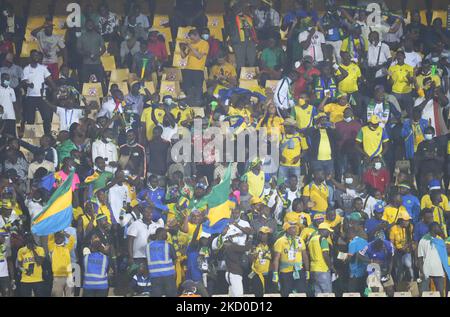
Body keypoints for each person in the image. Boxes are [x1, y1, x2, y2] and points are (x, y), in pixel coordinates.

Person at [21, 50, 56, 135]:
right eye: (34, 55)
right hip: (30, 97)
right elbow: (23, 82)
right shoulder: (26, 69)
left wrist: (55, 88)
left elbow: (50, 80)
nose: (36, 57)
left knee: (47, 117)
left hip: (42, 97)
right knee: (30, 119)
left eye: (37, 55)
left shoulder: (43, 68)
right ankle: (30, 136)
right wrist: (28, 84)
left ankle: (47, 135)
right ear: (31, 57)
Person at [272, 221, 309, 297]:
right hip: (285, 272)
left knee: (301, 292)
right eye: (292, 228)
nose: (294, 230)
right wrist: (275, 273)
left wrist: (307, 270)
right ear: (287, 229)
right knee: (286, 293)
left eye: (295, 228)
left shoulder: (300, 240)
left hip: (299, 271)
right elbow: (276, 258)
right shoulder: (280, 241)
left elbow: (305, 256)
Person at [180, 29, 209, 107]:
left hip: (198, 70)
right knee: (188, 88)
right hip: (188, 69)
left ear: (197, 35)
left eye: (192, 38)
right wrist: (181, 48)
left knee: (198, 88)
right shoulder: (191, 44)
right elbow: (183, 56)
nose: (191, 40)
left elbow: (199, 56)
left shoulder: (204, 43)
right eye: (190, 38)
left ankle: (198, 103)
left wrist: (191, 46)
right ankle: (189, 103)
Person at [418, 222, 448, 297]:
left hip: (438, 270)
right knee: (423, 293)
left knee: (441, 293)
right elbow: (420, 258)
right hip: (426, 270)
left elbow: (444, 257)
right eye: (438, 227)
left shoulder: (440, 240)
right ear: (434, 228)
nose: (440, 229)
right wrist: (422, 271)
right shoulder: (423, 240)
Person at [146, 227, 177, 297]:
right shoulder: (168, 245)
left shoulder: (148, 246)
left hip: (154, 276)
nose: (166, 235)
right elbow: (175, 260)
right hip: (168, 276)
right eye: (165, 233)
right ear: (159, 234)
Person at [76, 19, 106, 84]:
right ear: (85, 26)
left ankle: (103, 94)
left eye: (91, 24)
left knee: (101, 82)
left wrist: (97, 55)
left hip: (97, 63)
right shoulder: (81, 37)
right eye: (88, 24)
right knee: (84, 83)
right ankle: (84, 94)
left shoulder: (98, 36)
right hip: (86, 63)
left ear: (94, 25)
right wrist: (84, 53)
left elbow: (104, 48)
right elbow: (78, 50)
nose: (90, 25)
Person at [309, 222, 335, 296]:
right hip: (322, 269)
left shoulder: (312, 239)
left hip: (313, 269)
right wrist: (331, 267)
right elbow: (325, 254)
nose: (329, 233)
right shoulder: (323, 239)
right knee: (327, 293)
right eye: (328, 231)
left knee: (318, 293)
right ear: (322, 230)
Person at [48, 231, 75, 297]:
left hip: (69, 276)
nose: (58, 238)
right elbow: (50, 238)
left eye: (60, 237)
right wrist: (54, 230)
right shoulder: (52, 248)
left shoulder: (67, 248)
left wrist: (65, 233)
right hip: (57, 277)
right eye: (56, 237)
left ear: (63, 238)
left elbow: (72, 239)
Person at [249, 226, 272, 297]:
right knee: (258, 294)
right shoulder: (254, 246)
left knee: (269, 294)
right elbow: (250, 261)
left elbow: (274, 260)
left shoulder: (271, 247)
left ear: (268, 235)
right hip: (257, 275)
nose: (262, 236)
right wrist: (253, 256)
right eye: (261, 234)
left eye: (265, 234)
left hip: (268, 275)